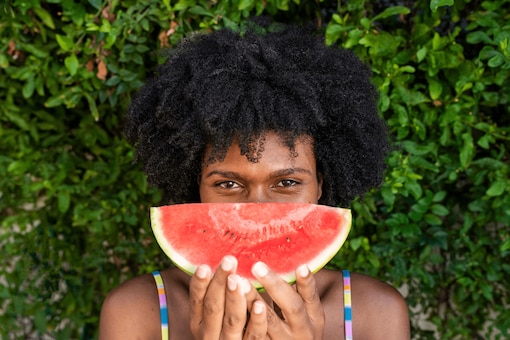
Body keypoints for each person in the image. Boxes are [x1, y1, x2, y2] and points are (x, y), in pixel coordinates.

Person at [99, 20, 410, 339]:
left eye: (287, 182)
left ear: (321, 184)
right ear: (197, 188)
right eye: (228, 184)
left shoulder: (375, 313)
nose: (257, 209)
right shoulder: (135, 311)